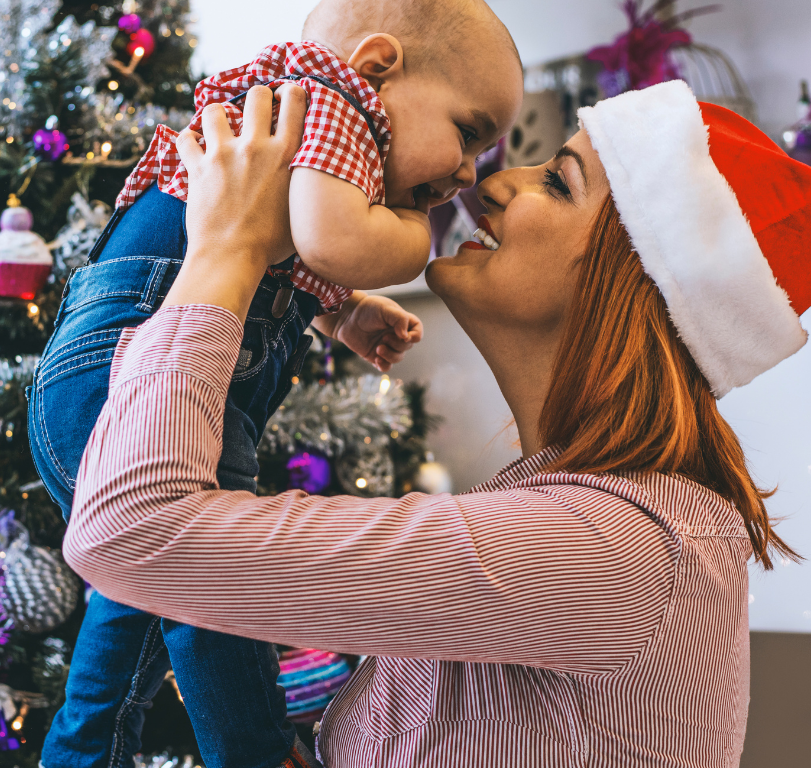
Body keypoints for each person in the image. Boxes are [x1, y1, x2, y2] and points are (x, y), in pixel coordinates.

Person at [63, 80, 811, 767]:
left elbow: (129, 530)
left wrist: (225, 251)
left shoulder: (617, 547)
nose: (493, 183)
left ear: (638, 286)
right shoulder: (572, 512)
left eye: (559, 183)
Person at [32, 1, 523, 766]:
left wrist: (345, 315)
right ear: (378, 66)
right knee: (211, 580)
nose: (468, 172)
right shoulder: (331, 98)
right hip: (127, 375)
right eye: (468, 131)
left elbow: (285, 250)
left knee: (147, 606)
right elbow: (331, 239)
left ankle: (89, 753)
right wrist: (414, 238)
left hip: (107, 377)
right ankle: (256, 752)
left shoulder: (310, 124)